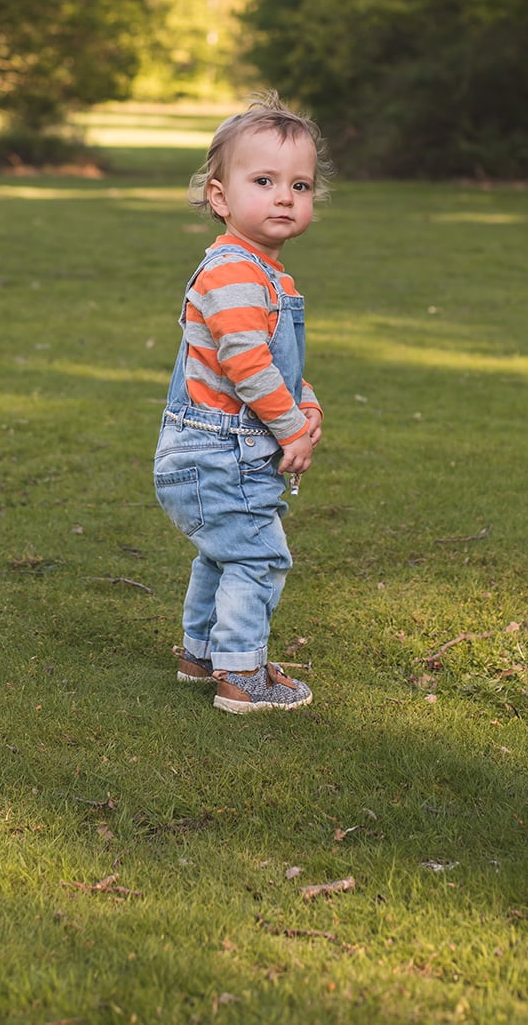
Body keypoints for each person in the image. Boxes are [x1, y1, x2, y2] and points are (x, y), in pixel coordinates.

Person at [153, 93, 330, 714]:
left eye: (299, 184)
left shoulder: (267, 274)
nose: (285, 196)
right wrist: (290, 429)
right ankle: (240, 673)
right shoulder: (233, 271)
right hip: (217, 449)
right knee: (258, 555)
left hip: (224, 446)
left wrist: (303, 402)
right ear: (220, 197)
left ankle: (201, 655)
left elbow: (275, 364)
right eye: (264, 181)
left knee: (224, 551)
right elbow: (246, 365)